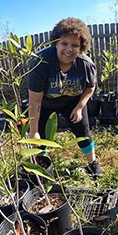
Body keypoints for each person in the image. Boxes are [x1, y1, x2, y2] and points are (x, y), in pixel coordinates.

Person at [28, 17, 102, 177]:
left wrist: (80, 107)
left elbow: (90, 87)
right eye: (64, 43)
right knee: (40, 136)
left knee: (83, 132)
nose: (69, 49)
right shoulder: (41, 63)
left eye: (75, 45)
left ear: (81, 47)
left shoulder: (85, 64)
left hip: (72, 101)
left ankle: (93, 164)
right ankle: (41, 167)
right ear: (55, 43)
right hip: (45, 103)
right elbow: (35, 101)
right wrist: (33, 131)